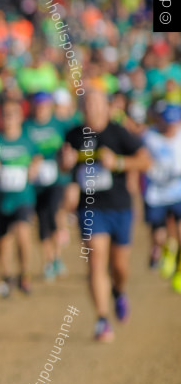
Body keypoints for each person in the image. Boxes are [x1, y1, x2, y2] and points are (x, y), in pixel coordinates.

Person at [61, 88, 151, 342]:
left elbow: (145, 161)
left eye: (95, 103)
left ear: (105, 106)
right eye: (86, 103)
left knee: (120, 267)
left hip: (120, 206)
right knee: (95, 260)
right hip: (90, 208)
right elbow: (66, 167)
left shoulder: (118, 132)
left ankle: (119, 291)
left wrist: (119, 163)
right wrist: (64, 163)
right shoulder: (73, 135)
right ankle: (102, 319)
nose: (91, 108)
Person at [0, 97, 42, 297]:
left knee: (23, 232)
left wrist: (34, 167)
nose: (9, 119)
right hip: (1, 201)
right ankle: (6, 277)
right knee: (3, 242)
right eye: (5, 115)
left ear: (20, 117)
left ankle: (25, 274)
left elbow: (38, 156)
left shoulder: (27, 139)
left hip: (23, 198)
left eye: (13, 114)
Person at [23, 91, 70, 280]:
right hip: (35, 182)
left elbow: (69, 146)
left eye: (45, 105)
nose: (41, 109)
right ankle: (49, 260)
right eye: (38, 105)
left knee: (54, 213)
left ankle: (58, 256)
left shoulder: (59, 124)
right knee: (41, 220)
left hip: (56, 179)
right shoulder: (27, 126)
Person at [141, 99, 181, 292]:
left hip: (178, 193)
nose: (171, 127)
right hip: (156, 194)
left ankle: (179, 270)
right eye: (168, 122)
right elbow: (140, 157)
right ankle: (166, 249)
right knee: (159, 236)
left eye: (175, 123)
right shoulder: (149, 138)